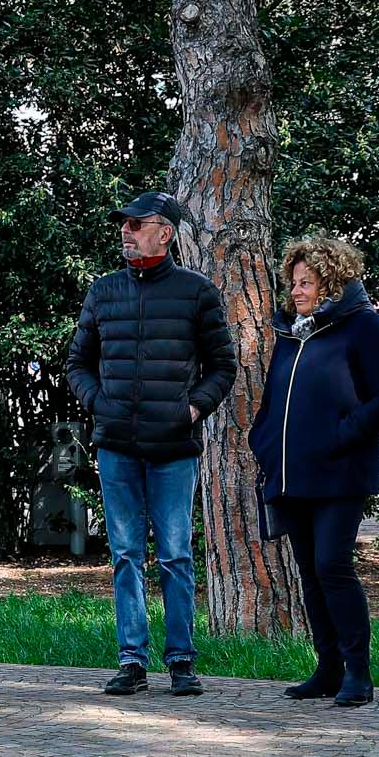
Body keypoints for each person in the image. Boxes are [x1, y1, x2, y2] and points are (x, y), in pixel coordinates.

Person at [67, 189, 238, 697]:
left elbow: (223, 365)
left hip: (173, 447)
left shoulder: (197, 291)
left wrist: (193, 407)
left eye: (136, 223)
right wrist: (99, 403)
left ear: (164, 233)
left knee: (175, 555)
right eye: (124, 223)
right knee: (124, 554)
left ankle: (181, 661)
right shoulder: (103, 292)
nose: (126, 230)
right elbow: (78, 363)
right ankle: (132, 661)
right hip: (116, 445)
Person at [248, 235, 379, 706]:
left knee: (332, 565)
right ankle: (328, 668)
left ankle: (359, 671)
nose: (295, 291)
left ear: (331, 283)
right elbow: (274, 399)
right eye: (293, 282)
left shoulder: (365, 327)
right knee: (309, 572)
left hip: (340, 472)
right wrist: (263, 441)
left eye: (306, 282)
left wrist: (340, 435)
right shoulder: (291, 335)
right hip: (291, 473)